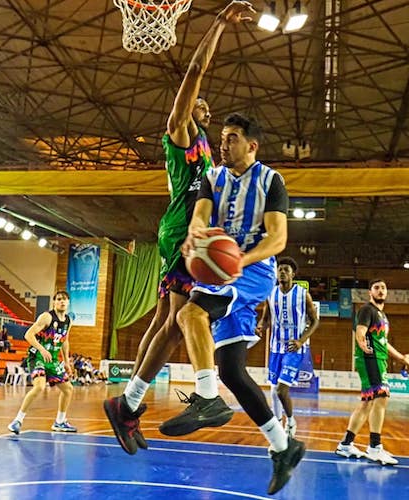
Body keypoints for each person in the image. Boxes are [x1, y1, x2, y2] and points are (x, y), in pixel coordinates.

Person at [102, 0, 251, 456]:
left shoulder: (205, 150)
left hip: (190, 234)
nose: (203, 103)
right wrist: (220, 24)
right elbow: (193, 71)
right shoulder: (179, 134)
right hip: (182, 234)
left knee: (169, 323)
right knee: (185, 317)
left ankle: (126, 405)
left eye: (205, 103)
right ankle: (205, 392)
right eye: (197, 101)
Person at [160, 111, 304, 495]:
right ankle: (283, 446)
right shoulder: (212, 177)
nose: (223, 143)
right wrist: (194, 236)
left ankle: (206, 398)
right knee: (233, 372)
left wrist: (240, 259)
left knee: (190, 312)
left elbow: (277, 240)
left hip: (252, 271)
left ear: (252, 145)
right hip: (222, 269)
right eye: (222, 137)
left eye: (233, 138)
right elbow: (200, 217)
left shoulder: (271, 181)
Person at [335, 279, 409, 465]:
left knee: (367, 403)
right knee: (381, 397)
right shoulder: (367, 310)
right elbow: (360, 330)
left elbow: (384, 342)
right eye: (376, 288)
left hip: (379, 360)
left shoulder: (382, 316)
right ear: (369, 293)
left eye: (383, 288)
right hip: (369, 358)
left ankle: (346, 444)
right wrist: (361, 341)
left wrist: (402, 358)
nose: (380, 291)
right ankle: (374, 447)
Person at [256, 256, 319, 438]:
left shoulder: (302, 294)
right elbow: (266, 319)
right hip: (275, 348)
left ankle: (290, 421)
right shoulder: (271, 294)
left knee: (282, 390)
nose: (282, 272)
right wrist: (261, 326)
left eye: (286, 269)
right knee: (273, 390)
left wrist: (301, 340)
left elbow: (315, 321)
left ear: (293, 274)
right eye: (279, 269)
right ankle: (277, 424)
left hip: (294, 349)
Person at [7, 290, 77, 434]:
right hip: (38, 356)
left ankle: (60, 421)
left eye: (64, 299)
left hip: (52, 358)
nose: (62, 301)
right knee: (39, 387)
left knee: (68, 389)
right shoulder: (47, 317)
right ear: (54, 302)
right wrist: (42, 349)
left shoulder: (68, 321)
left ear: (68, 302)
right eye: (58, 299)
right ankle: (17, 420)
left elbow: (65, 341)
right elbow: (28, 334)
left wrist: (67, 362)